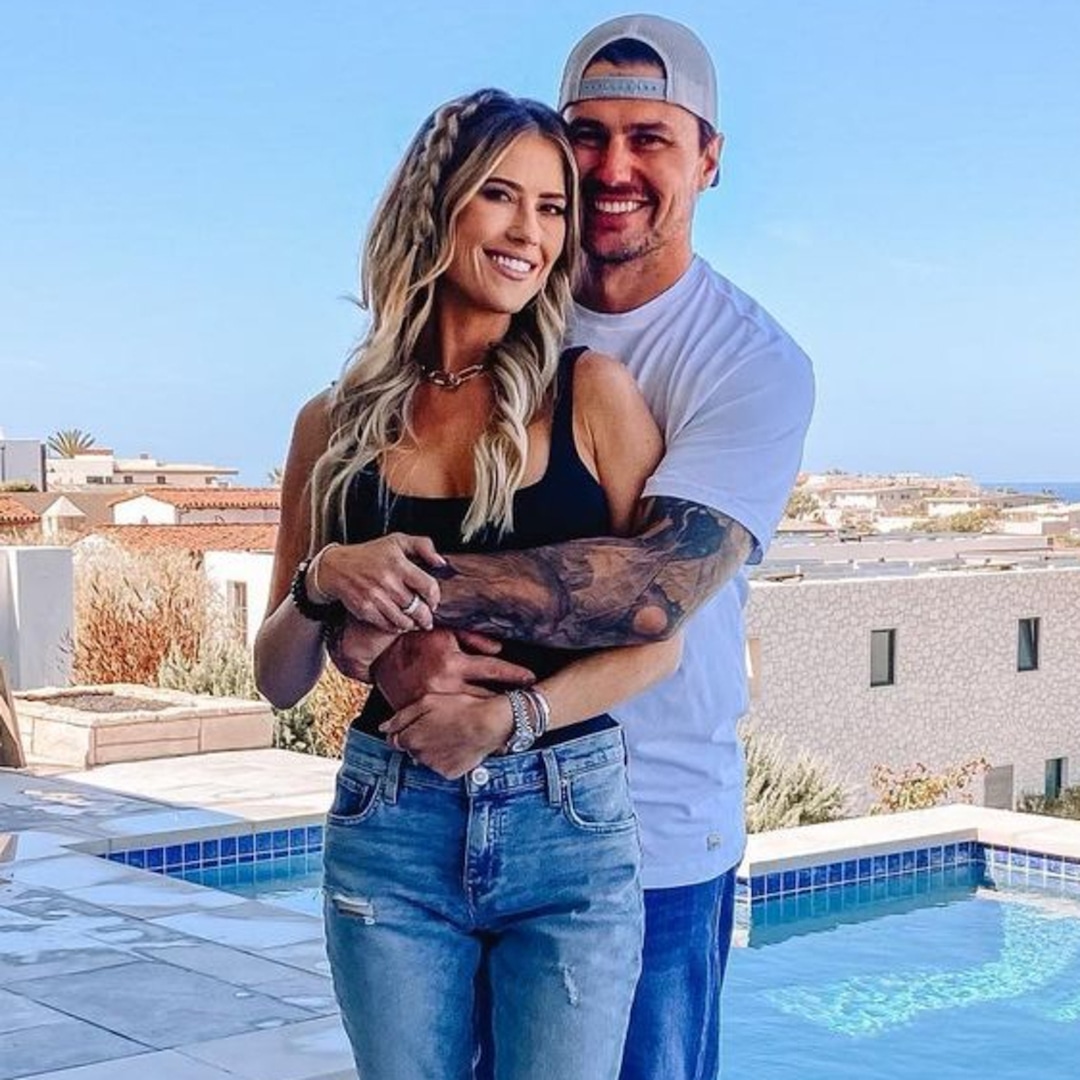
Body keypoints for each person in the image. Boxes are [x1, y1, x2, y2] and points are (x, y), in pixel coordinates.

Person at [332, 16, 816, 1080]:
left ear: (709, 158)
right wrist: (354, 613)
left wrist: (384, 596)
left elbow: (652, 593)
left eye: (651, 138)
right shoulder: (506, 313)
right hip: (445, 803)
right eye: (588, 135)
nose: (613, 168)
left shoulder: (747, 361)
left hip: (654, 825)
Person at [253, 88, 682, 1080]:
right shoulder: (332, 424)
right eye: (500, 195)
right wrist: (324, 579)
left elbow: (661, 637)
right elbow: (276, 680)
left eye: (552, 207)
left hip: (567, 824)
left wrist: (511, 719)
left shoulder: (593, 396)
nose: (530, 231)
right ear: (435, 205)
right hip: (391, 824)